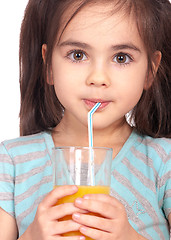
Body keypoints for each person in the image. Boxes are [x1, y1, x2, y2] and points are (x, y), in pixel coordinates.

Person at [0, 0, 171, 239]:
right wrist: (31, 237)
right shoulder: (12, 162)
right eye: (77, 55)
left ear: (150, 70)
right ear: (48, 64)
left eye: (121, 58)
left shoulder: (164, 162)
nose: (98, 77)